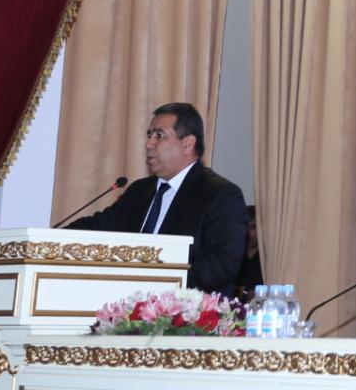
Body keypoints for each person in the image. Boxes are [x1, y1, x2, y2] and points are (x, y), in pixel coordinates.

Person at [66, 101, 248, 295]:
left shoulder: (220, 195)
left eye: (159, 136)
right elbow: (99, 227)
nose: (149, 144)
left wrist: (158, 283)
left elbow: (223, 264)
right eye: (149, 135)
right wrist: (50, 241)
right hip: (128, 305)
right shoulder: (139, 191)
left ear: (188, 143)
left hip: (186, 308)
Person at [235, 204, 265, 299]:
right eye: (244, 227)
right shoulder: (234, 256)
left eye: (252, 227)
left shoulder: (267, 258)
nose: (247, 233)